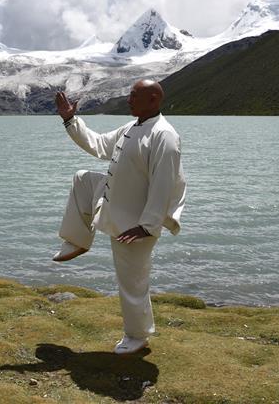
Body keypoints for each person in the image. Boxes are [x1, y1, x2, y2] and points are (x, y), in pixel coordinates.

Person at [52, 80, 186, 355]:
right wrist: (70, 119)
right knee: (83, 179)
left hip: (137, 223)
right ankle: (77, 241)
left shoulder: (165, 135)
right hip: (120, 207)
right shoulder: (132, 127)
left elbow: (165, 184)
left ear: (153, 99)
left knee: (132, 281)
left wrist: (147, 227)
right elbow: (100, 145)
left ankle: (137, 337)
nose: (128, 100)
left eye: (134, 96)